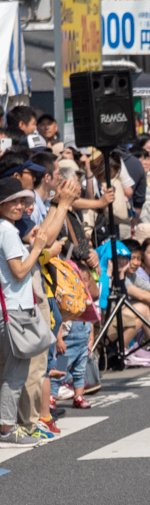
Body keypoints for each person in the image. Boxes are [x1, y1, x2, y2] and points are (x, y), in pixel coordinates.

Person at [0, 177, 46, 447]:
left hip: (7, 309)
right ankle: (7, 428)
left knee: (9, 370)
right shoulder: (6, 230)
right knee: (16, 373)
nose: (19, 206)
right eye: (12, 201)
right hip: (14, 310)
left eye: (22, 201)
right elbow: (18, 272)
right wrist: (37, 248)